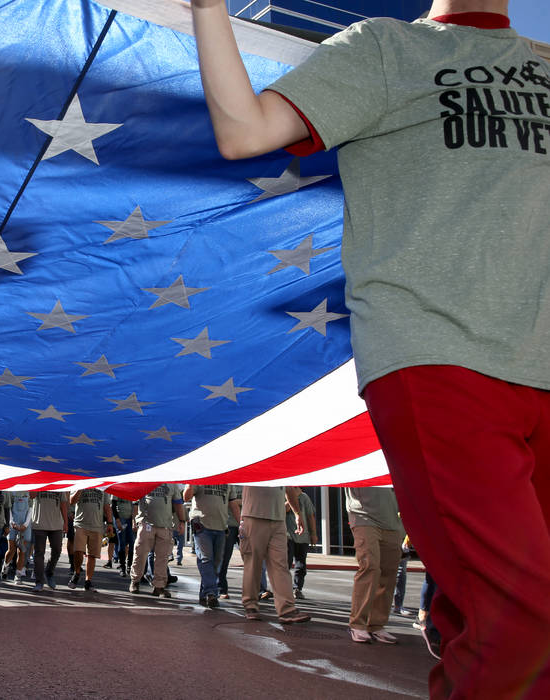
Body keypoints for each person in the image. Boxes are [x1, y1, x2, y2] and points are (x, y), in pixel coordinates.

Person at [192, 0, 549, 695]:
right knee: (522, 622)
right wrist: (210, 8)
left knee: (489, 617)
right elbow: (245, 132)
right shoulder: (385, 47)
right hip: (438, 355)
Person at [238, 486, 310, 624]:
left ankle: (287, 609)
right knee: (253, 564)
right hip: (253, 515)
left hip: (278, 520)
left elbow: (289, 489)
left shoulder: (281, 466)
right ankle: (250, 605)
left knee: (281, 565)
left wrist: (297, 514)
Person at [345, 487, 404, 644]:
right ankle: (357, 624)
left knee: (389, 573)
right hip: (364, 517)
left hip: (392, 521)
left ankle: (376, 625)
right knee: (370, 567)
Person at [128, 484, 185, 598]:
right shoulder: (145, 479)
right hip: (146, 523)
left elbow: (178, 503)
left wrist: (182, 521)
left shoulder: (172, 484)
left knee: (162, 558)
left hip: (165, 525)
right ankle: (135, 581)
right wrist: (135, 520)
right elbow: (134, 502)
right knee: (140, 553)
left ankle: (159, 586)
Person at [183, 484, 231, 608]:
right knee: (206, 558)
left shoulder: (228, 480)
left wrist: (241, 521)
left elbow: (232, 502)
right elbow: (186, 497)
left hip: (221, 526)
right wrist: (191, 484)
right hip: (202, 524)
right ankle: (211, 593)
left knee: (216, 563)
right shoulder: (202, 476)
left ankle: (204, 594)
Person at [67, 488, 112, 591]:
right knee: (78, 550)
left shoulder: (102, 485)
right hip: (81, 524)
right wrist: (79, 489)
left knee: (92, 555)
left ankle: (88, 581)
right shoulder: (81, 482)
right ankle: (77, 572)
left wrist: (110, 523)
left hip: (96, 526)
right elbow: (71, 501)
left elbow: (107, 505)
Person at [29, 490, 67, 592]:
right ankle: (39, 582)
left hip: (56, 524)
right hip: (39, 523)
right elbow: (31, 496)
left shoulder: (59, 483)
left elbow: (63, 503)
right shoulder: (38, 481)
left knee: (57, 550)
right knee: (39, 553)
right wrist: (38, 481)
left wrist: (66, 522)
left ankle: (49, 572)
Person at [285, 488, 318, 600]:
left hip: (303, 536)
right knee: (286, 564)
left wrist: (313, 534)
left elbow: (310, 516)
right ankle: (284, 589)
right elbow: (282, 510)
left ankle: (297, 588)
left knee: (301, 565)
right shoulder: (284, 496)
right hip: (288, 535)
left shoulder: (304, 497)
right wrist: (291, 499)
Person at [217, 485, 242, 599]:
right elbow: (224, 501)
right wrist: (240, 502)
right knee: (224, 559)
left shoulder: (249, 483)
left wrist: (238, 501)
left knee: (254, 559)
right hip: (229, 525)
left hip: (246, 524)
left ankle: (260, 589)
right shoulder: (229, 482)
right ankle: (221, 588)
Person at [3, 491, 32, 584]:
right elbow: (8, 507)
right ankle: (5, 565)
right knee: (11, 549)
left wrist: (26, 524)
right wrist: (11, 522)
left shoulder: (29, 490)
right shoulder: (12, 490)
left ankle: (18, 574)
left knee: (22, 551)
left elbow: (31, 508)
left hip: (25, 525)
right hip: (13, 524)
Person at [111, 496, 136, 578]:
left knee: (132, 542)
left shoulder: (132, 487)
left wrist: (134, 520)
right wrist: (117, 519)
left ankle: (130, 565)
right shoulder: (117, 487)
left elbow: (135, 504)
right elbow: (113, 504)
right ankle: (122, 566)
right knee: (122, 543)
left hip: (130, 518)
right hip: (121, 517)